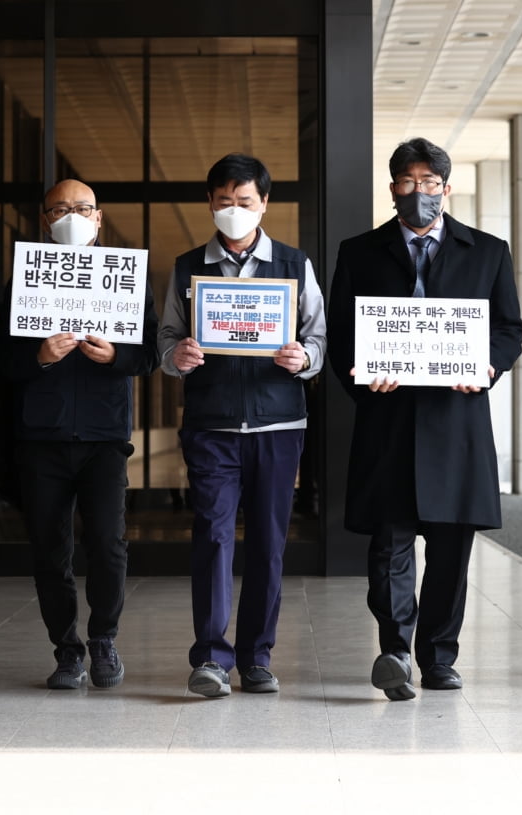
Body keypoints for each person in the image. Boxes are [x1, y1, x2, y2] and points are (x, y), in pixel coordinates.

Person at [327, 138, 522, 701]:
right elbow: (343, 332)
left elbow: (509, 328)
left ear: (447, 187)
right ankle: (394, 651)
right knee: (388, 545)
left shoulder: (487, 251)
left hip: (456, 421)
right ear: (393, 189)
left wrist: (486, 366)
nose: (420, 193)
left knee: (449, 549)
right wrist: (364, 376)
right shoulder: (360, 251)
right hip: (388, 417)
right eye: (409, 183)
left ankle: (438, 657)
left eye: (430, 183)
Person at [159, 153, 327, 698]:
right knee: (211, 536)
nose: (235, 210)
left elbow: (320, 339)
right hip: (211, 426)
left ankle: (257, 657)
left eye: (245, 201)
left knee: (268, 545)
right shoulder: (188, 268)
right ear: (210, 203)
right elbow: (165, 340)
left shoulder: (294, 265)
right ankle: (210, 656)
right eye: (225, 201)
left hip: (279, 425)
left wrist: (304, 359)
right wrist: (176, 356)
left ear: (264, 204)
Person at [0, 178, 159, 690]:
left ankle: (103, 639)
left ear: (99, 217)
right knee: (50, 549)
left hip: (103, 436)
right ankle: (66, 650)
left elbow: (151, 352)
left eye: (82, 208)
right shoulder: (22, 280)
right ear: (45, 220)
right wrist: (39, 357)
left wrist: (117, 356)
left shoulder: (126, 278)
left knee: (109, 545)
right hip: (41, 437)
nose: (72, 216)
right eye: (60, 209)